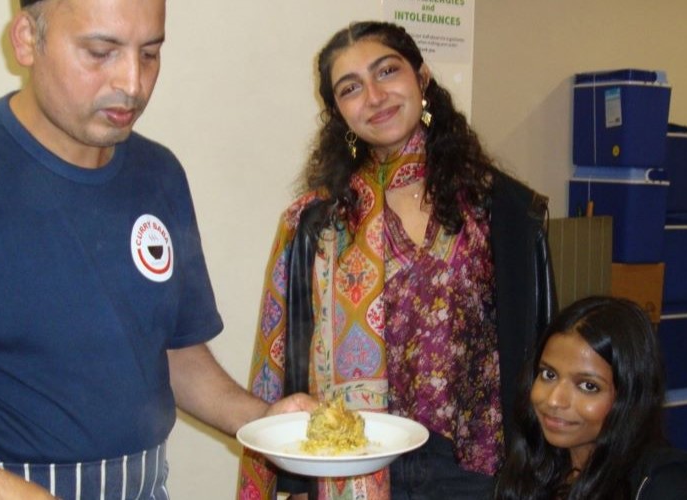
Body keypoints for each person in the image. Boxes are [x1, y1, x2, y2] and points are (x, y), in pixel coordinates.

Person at [0, 1, 314, 499]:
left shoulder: (158, 174)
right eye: (101, 52)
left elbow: (172, 349)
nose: (133, 83)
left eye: (151, 54)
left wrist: (263, 421)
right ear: (27, 40)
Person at [238, 21, 556, 500]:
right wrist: (298, 484)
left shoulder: (505, 210)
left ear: (422, 78)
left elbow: (540, 346)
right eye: (350, 88)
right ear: (338, 113)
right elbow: (291, 364)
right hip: (350, 465)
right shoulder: (315, 225)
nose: (374, 95)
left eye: (387, 71)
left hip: (476, 472)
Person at [494, 296, 687, 499]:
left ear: (630, 396)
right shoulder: (537, 469)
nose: (555, 400)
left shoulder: (669, 484)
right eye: (548, 374)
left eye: (588, 386)